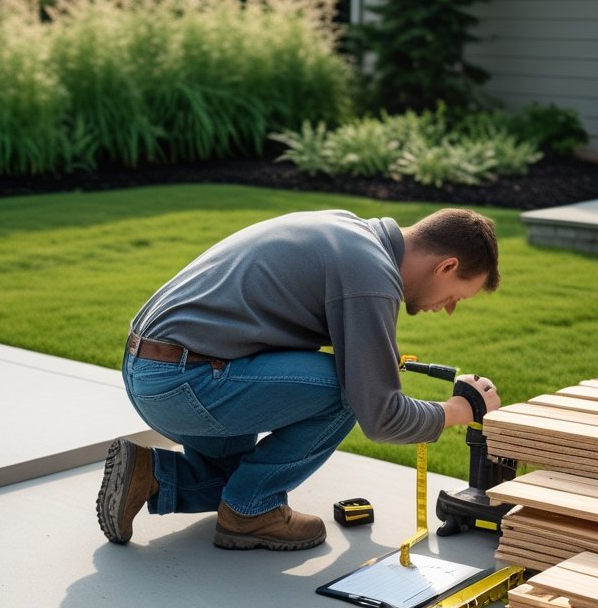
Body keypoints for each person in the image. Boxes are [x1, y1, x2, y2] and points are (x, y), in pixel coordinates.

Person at [96, 206, 502, 551]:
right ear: (447, 266)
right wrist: (457, 409)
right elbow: (379, 416)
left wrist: (369, 354)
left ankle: (150, 474)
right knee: (348, 392)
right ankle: (252, 512)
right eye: (457, 296)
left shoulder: (350, 232)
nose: (449, 308)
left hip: (155, 371)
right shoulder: (371, 274)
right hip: (186, 384)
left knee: (235, 478)